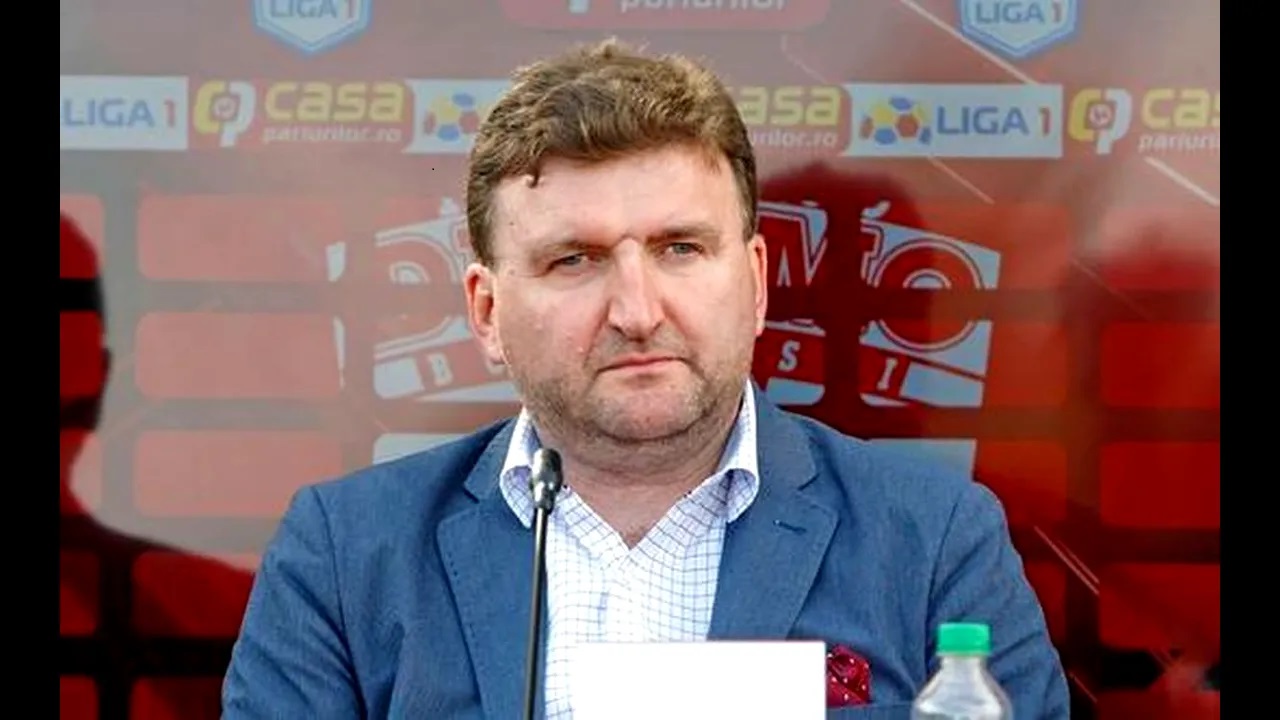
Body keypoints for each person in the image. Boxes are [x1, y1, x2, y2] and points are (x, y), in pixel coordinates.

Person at [222, 39, 1069, 718]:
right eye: (574, 259)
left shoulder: (932, 539)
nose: (636, 310)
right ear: (486, 310)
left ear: (757, 282)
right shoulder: (345, 553)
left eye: (680, 249)